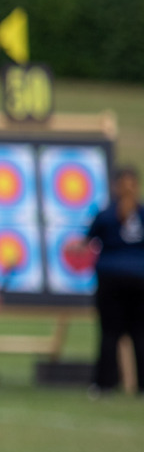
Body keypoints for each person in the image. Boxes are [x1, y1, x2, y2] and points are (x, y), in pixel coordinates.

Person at [87, 164, 144, 395]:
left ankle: (105, 384)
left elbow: (88, 241)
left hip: (111, 278)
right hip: (139, 278)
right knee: (140, 334)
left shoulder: (106, 214)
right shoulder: (140, 212)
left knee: (110, 333)